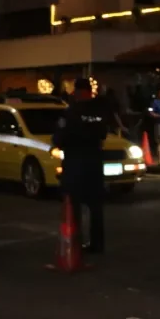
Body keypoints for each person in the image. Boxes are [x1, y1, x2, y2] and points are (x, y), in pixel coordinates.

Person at [52, 78, 108, 254]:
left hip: (75, 163)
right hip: (94, 163)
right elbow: (103, 134)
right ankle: (97, 244)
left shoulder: (70, 113)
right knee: (95, 206)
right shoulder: (99, 112)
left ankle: (75, 242)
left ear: (77, 92)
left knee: (73, 205)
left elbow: (59, 139)